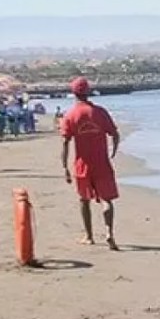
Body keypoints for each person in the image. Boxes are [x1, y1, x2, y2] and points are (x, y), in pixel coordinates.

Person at [61, 77, 121, 251]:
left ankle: (89, 236)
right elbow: (115, 134)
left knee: (84, 199)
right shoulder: (100, 112)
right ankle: (109, 232)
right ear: (88, 91)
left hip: (82, 164)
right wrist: (113, 151)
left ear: (73, 93)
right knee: (106, 199)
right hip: (102, 162)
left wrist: (64, 166)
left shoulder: (70, 115)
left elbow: (65, 142)